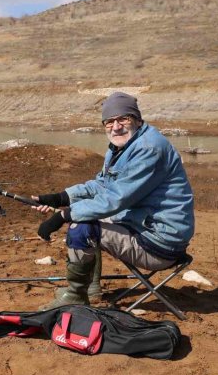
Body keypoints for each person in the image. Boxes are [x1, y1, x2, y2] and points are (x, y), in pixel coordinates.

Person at [32, 92, 194, 310]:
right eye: (109, 121)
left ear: (137, 120)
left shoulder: (148, 148)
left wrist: (63, 215)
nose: (116, 126)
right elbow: (102, 185)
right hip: (144, 227)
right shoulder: (123, 147)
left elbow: (115, 199)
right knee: (90, 215)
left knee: (81, 226)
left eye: (123, 119)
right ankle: (90, 288)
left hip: (160, 242)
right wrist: (60, 197)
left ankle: (76, 295)